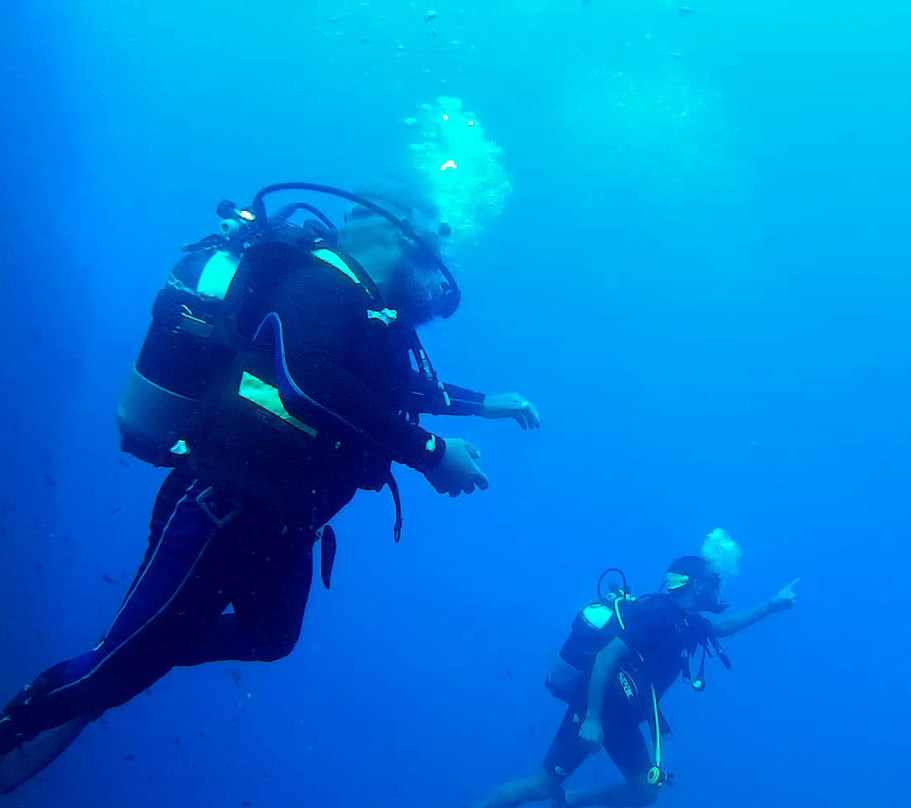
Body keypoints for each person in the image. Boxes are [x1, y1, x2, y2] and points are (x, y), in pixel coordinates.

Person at [0, 180, 540, 793]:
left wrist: (482, 404)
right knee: (117, 673)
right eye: (436, 234)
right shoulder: (321, 282)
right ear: (389, 223)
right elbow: (305, 380)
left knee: (270, 637)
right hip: (221, 507)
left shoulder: (367, 310)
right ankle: (84, 684)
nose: (442, 259)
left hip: (282, 523)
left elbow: (396, 388)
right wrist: (432, 454)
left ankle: (134, 653)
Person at [473, 556, 799, 808]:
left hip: (624, 717)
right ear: (698, 585)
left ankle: (568, 801)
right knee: (539, 784)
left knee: (645, 790)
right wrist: (591, 719)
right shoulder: (658, 615)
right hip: (600, 708)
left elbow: (723, 627)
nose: (719, 589)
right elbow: (606, 657)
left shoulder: (688, 623)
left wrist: (771, 606)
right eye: (715, 582)